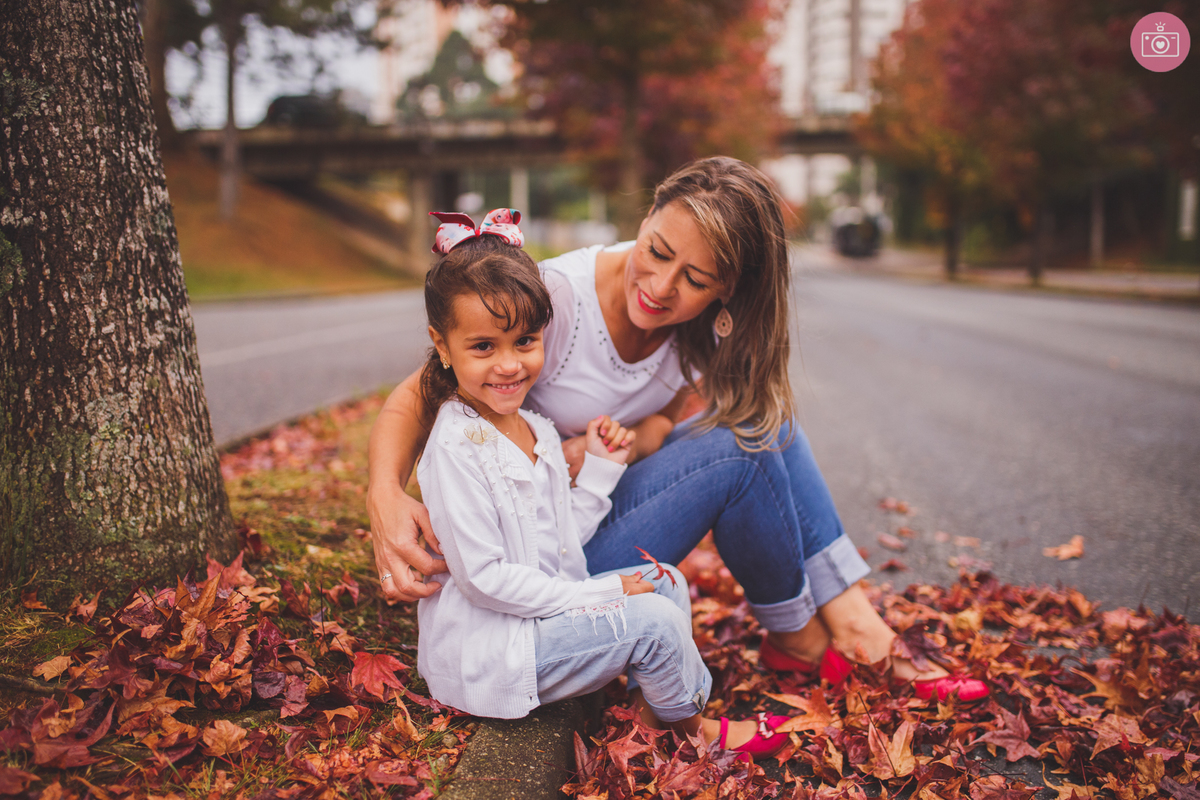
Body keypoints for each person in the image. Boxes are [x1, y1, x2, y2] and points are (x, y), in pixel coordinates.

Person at [370, 159, 987, 703]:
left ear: (728, 289)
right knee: (742, 447)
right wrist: (384, 493)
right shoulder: (556, 298)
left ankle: (847, 625)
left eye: (695, 279)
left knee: (765, 422)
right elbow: (420, 394)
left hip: (586, 509)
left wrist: (624, 443)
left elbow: (666, 418)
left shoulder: (703, 337)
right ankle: (809, 637)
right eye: (658, 251)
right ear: (646, 219)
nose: (661, 288)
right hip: (540, 557)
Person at [412, 208, 789, 757]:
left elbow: (563, 539)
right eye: (483, 347)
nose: (510, 364)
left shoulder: (536, 428)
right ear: (443, 345)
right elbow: (484, 581)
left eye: (525, 341)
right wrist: (603, 594)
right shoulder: (456, 445)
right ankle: (693, 734)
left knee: (664, 581)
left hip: (537, 618)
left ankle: (651, 717)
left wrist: (602, 469)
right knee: (652, 620)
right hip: (493, 651)